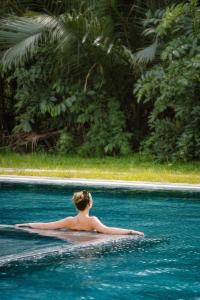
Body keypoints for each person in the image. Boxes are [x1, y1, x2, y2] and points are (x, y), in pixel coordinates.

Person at [16, 190, 144, 236]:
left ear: (76, 205)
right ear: (90, 204)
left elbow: (45, 226)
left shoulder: (69, 221)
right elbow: (108, 230)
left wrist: (26, 224)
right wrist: (130, 231)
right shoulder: (92, 221)